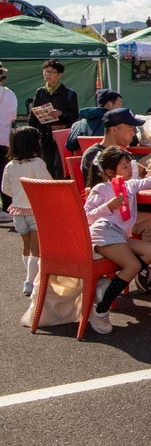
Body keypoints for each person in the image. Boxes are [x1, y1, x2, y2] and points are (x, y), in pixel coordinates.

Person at [84, 147, 151, 334]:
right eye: (124, 167)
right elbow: (86, 215)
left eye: (129, 165)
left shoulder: (130, 185)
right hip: (103, 232)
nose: (130, 170)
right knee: (131, 265)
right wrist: (108, 206)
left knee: (150, 250)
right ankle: (101, 309)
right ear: (109, 172)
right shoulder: (102, 188)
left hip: (119, 235)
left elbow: (148, 181)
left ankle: (109, 285)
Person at [3, 127, 51, 295]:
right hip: (35, 211)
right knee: (36, 248)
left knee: (26, 247)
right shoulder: (38, 163)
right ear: (33, 143)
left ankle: (29, 279)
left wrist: (18, 196)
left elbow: (5, 188)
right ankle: (30, 282)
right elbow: (47, 185)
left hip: (17, 211)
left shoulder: (10, 165)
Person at [28, 59, 79, 178]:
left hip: (61, 136)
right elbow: (33, 115)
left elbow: (75, 115)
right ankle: (49, 192)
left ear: (59, 74)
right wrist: (31, 134)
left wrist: (61, 113)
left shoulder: (69, 93)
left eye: (52, 72)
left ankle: (60, 192)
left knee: (60, 165)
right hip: (44, 136)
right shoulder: (40, 92)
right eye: (46, 71)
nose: (47, 74)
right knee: (46, 165)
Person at [66, 88, 122, 152]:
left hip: (86, 160)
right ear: (109, 104)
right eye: (119, 104)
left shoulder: (83, 122)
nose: (121, 107)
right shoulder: (117, 122)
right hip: (110, 159)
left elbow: (69, 145)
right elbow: (132, 141)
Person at [0, 64, 16, 223]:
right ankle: (6, 208)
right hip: (3, 139)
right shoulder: (9, 94)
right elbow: (12, 117)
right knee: (3, 175)